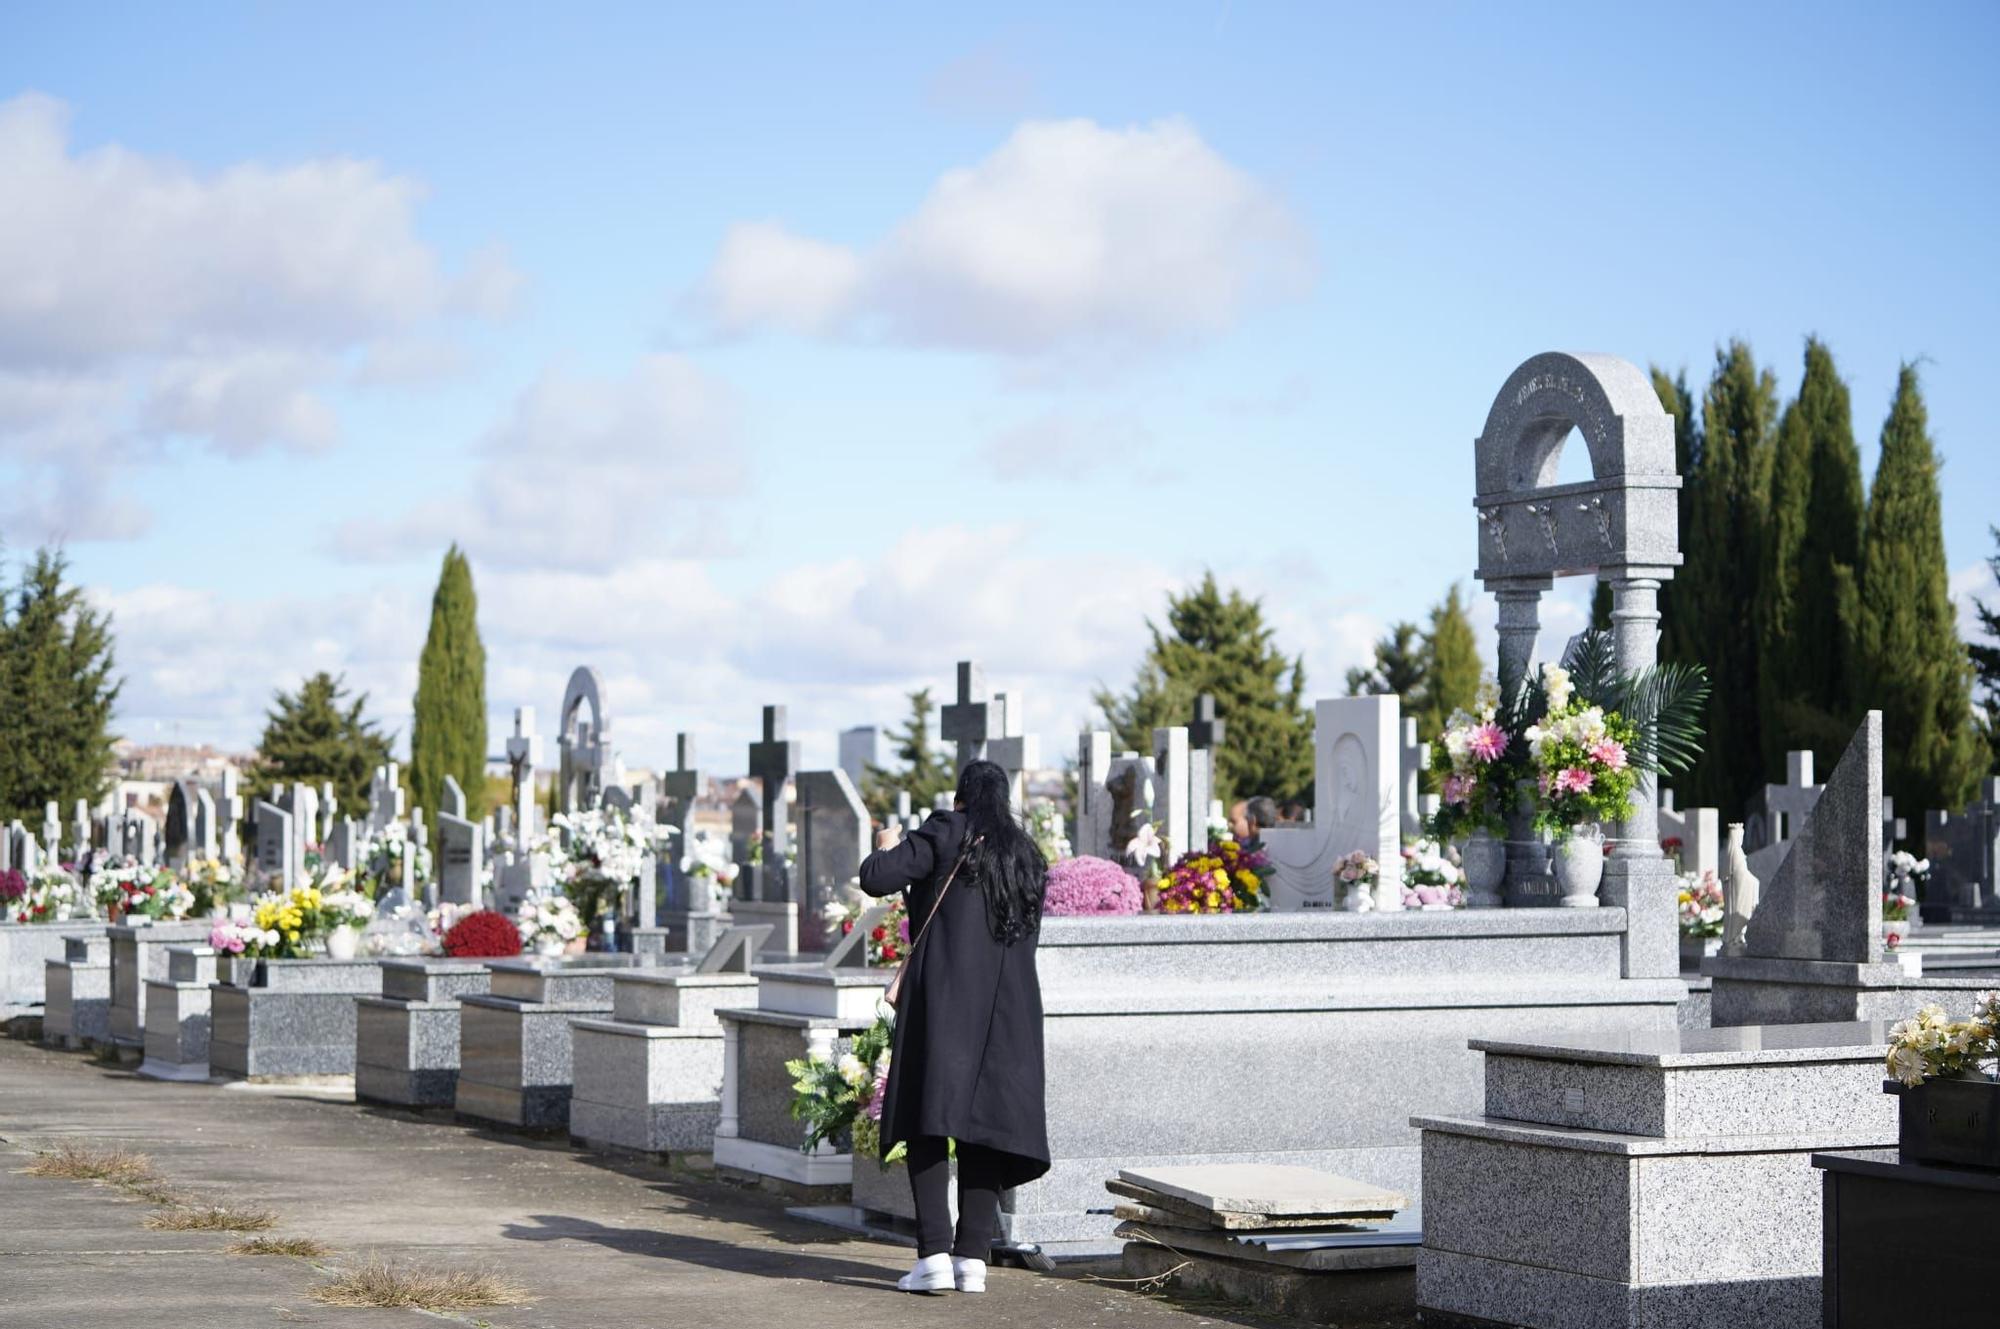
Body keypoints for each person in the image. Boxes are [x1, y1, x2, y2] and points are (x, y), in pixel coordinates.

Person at [858, 759, 1050, 1294]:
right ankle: (973, 1259)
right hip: (1011, 1010)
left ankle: (934, 1256)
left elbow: (876, 877)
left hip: (943, 1001)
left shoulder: (946, 830)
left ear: (961, 797)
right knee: (986, 1126)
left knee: (928, 1119)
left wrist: (887, 842)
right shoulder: (1026, 854)